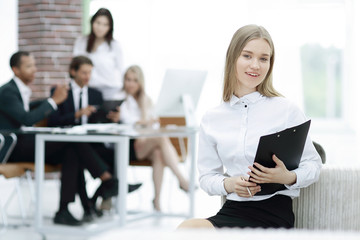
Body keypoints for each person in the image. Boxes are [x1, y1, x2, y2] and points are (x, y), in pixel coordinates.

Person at [177, 25, 322, 229]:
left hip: (274, 214)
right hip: (233, 209)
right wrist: (230, 184)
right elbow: (207, 177)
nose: (255, 65)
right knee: (187, 229)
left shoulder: (287, 109)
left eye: (264, 59)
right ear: (233, 58)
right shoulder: (212, 118)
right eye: (247, 56)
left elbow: (314, 165)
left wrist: (288, 177)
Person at [0, 51, 118, 226]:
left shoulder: (20, 90)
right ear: (15, 70)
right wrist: (54, 101)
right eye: (29, 66)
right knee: (71, 141)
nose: (34, 70)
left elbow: (26, 111)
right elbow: (26, 119)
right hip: (12, 148)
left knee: (71, 151)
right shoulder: (7, 91)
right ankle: (107, 180)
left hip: (26, 143)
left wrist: (48, 101)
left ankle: (63, 210)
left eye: (34, 65)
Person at [47, 55, 142, 216]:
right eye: (84, 73)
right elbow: (53, 121)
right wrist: (77, 114)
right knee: (74, 149)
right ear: (73, 72)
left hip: (91, 145)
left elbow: (101, 122)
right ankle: (106, 186)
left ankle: (95, 199)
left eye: (90, 73)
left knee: (115, 155)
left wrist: (114, 119)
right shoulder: (61, 92)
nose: (87, 77)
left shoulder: (95, 95)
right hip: (66, 143)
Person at [106, 65, 190, 212]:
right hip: (128, 145)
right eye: (128, 79)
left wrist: (146, 121)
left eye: (134, 80)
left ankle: (156, 201)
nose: (131, 84)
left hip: (145, 144)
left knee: (158, 154)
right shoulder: (118, 99)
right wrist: (142, 123)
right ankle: (182, 180)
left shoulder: (146, 100)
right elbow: (125, 124)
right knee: (162, 138)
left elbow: (152, 126)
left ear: (140, 83)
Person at [73, 8, 124, 100]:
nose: (100, 28)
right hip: (86, 91)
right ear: (92, 22)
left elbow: (121, 70)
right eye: (98, 23)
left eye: (105, 25)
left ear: (110, 27)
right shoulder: (81, 42)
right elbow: (75, 67)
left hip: (110, 93)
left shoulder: (114, 45)